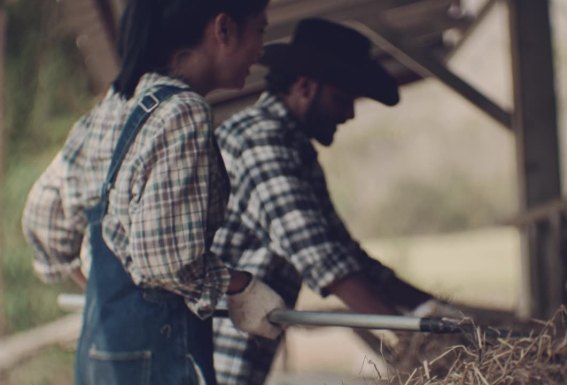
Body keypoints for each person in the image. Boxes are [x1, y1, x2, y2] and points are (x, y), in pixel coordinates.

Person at [21, 1, 287, 384]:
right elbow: (167, 262)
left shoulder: (112, 107)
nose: (261, 48)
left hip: (100, 356)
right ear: (223, 29)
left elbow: (43, 221)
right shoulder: (183, 111)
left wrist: (111, 296)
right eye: (259, 30)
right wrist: (238, 285)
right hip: (160, 358)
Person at [211, 18, 438, 385]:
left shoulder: (293, 148)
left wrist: (430, 308)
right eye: (343, 98)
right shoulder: (261, 141)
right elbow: (320, 257)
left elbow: (345, 253)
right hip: (211, 360)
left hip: (240, 356)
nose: (348, 114)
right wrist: (410, 338)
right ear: (305, 86)